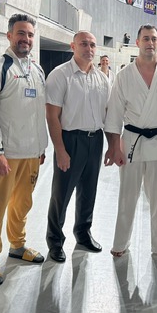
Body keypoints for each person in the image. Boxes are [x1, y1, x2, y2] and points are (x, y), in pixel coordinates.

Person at [0, 14, 47, 285]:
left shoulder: (38, 70)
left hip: (31, 154)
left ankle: (17, 245)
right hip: (6, 155)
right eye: (20, 33)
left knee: (22, 204)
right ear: (9, 36)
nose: (25, 39)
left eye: (30, 35)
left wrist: (41, 147)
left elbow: (37, 112)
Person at [104, 24, 157, 259]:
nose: (150, 43)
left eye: (154, 39)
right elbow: (114, 113)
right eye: (146, 39)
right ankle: (120, 242)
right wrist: (114, 147)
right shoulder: (124, 75)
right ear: (137, 42)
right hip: (131, 141)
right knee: (127, 195)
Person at [46, 31, 110, 263]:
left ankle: (83, 233)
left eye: (92, 44)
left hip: (95, 139)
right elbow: (52, 116)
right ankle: (55, 241)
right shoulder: (60, 75)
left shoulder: (102, 78)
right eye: (84, 44)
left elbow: (107, 114)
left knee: (89, 191)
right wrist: (60, 150)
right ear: (73, 46)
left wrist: (112, 145)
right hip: (70, 140)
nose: (89, 48)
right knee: (61, 194)